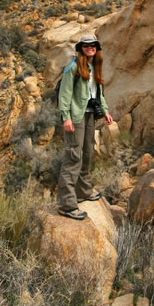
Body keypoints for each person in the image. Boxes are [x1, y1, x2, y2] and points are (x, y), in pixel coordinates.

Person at [56, 34, 114, 220]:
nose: (90, 47)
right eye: (86, 45)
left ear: (97, 47)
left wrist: (105, 111)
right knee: (74, 156)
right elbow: (65, 93)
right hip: (76, 116)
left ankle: (84, 191)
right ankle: (67, 204)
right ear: (81, 47)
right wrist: (66, 117)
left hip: (90, 115)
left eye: (93, 45)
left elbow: (99, 93)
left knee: (88, 152)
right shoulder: (73, 66)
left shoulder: (94, 66)